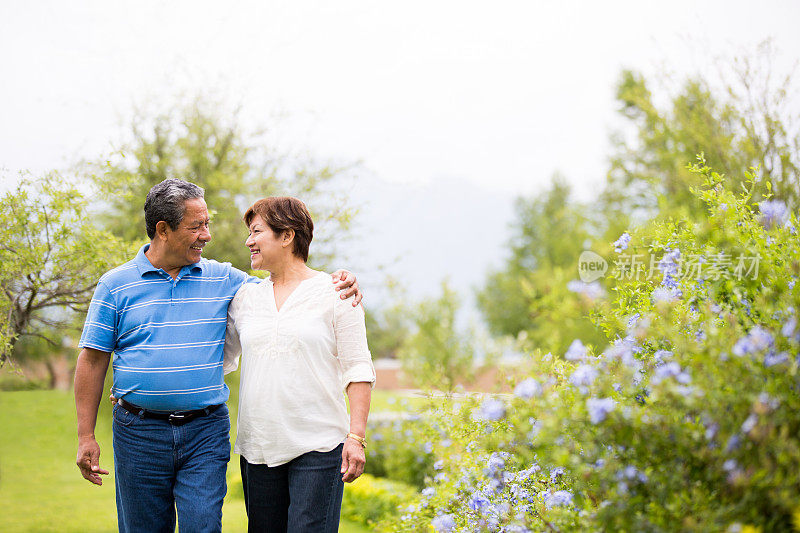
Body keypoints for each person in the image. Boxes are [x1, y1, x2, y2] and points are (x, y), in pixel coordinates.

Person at [74, 179, 361, 533]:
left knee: (204, 526)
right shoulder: (115, 285)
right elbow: (92, 359)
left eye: (207, 223)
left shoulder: (227, 280)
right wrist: (86, 435)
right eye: (197, 226)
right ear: (163, 230)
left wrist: (338, 281)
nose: (207, 235)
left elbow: (287, 291)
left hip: (204, 430)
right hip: (139, 432)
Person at [224, 196, 374, 532]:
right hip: (258, 448)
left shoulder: (336, 293)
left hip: (318, 447)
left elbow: (358, 369)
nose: (248, 241)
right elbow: (218, 359)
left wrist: (356, 437)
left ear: (287, 235)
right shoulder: (246, 298)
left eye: (257, 231)